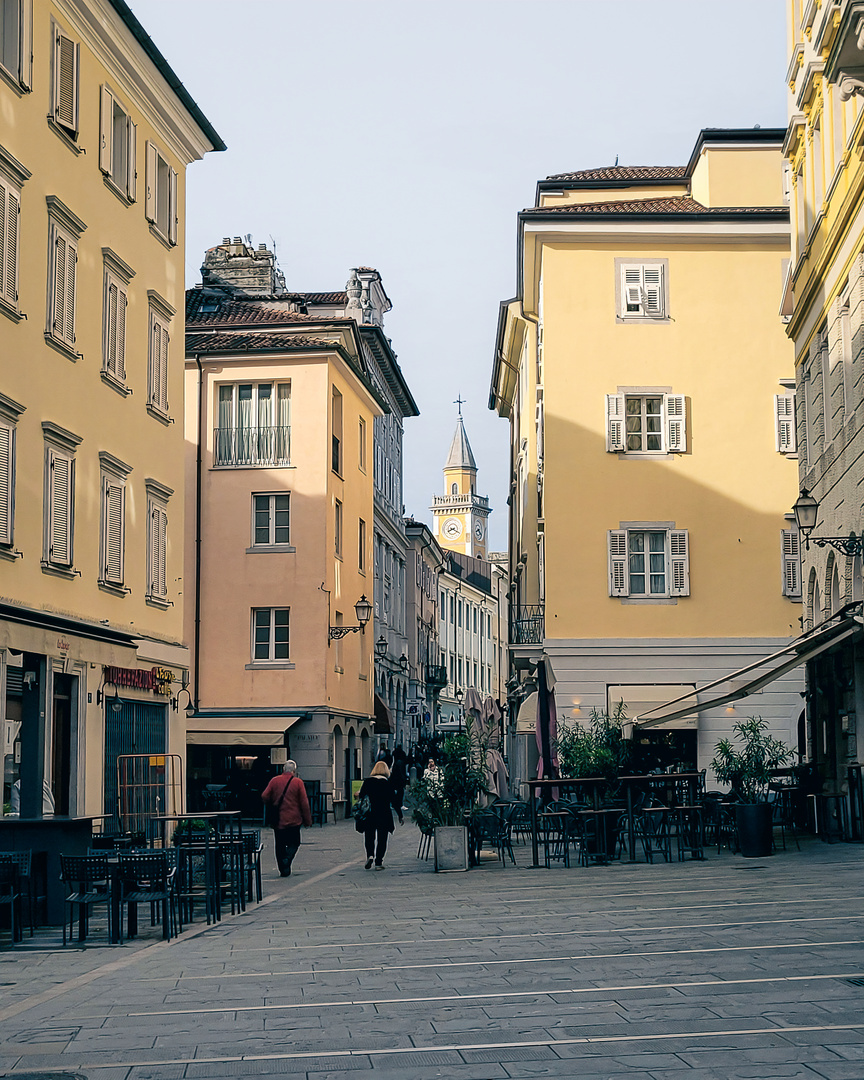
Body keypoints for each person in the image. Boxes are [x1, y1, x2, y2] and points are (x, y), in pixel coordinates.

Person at [261, 760, 311, 877]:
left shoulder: (274, 781)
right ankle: (287, 859)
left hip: (278, 820)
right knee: (295, 842)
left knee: (280, 844)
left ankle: (283, 870)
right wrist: (307, 820)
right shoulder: (298, 782)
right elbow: (304, 803)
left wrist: (272, 804)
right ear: (294, 771)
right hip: (294, 819)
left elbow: (264, 796)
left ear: (283, 769)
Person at [357, 760, 402, 870]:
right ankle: (378, 862)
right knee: (382, 839)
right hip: (384, 814)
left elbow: (362, 796)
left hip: (370, 814)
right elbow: (395, 801)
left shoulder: (368, 782)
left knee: (369, 836)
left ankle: (370, 855)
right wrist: (400, 815)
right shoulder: (388, 783)